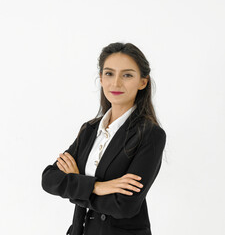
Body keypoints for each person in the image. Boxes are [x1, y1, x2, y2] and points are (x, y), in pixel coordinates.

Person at [41, 42, 166, 235]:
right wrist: (99, 187)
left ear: (143, 82)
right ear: (100, 78)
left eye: (127, 75)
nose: (116, 83)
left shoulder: (150, 135)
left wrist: (77, 183)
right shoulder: (90, 130)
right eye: (109, 73)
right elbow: (49, 179)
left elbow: (124, 206)